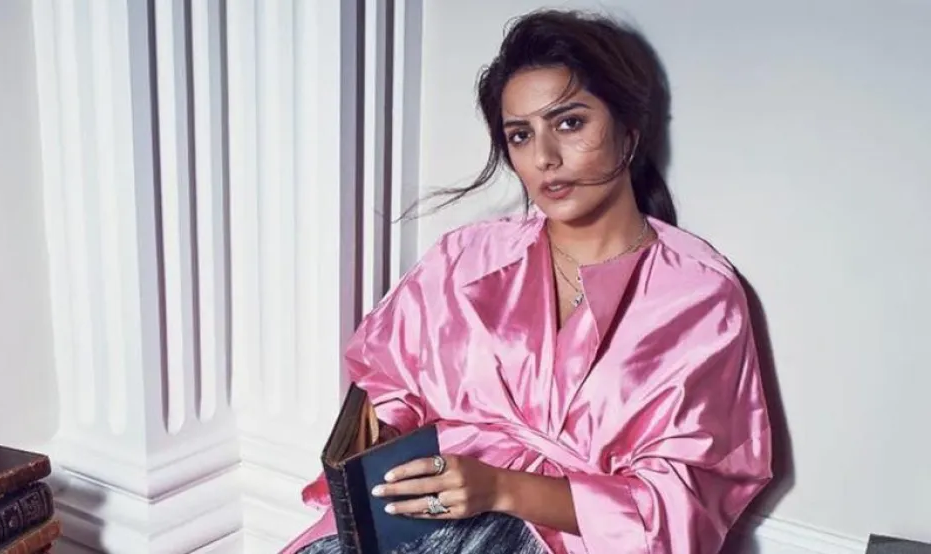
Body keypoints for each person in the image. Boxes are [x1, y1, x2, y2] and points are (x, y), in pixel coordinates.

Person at [280, 8, 772, 554]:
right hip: (423, 519)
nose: (544, 158)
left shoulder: (700, 297)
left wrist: (500, 487)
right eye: (520, 135)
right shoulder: (467, 257)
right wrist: (386, 454)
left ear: (628, 134)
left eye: (570, 123)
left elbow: (682, 508)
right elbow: (387, 384)